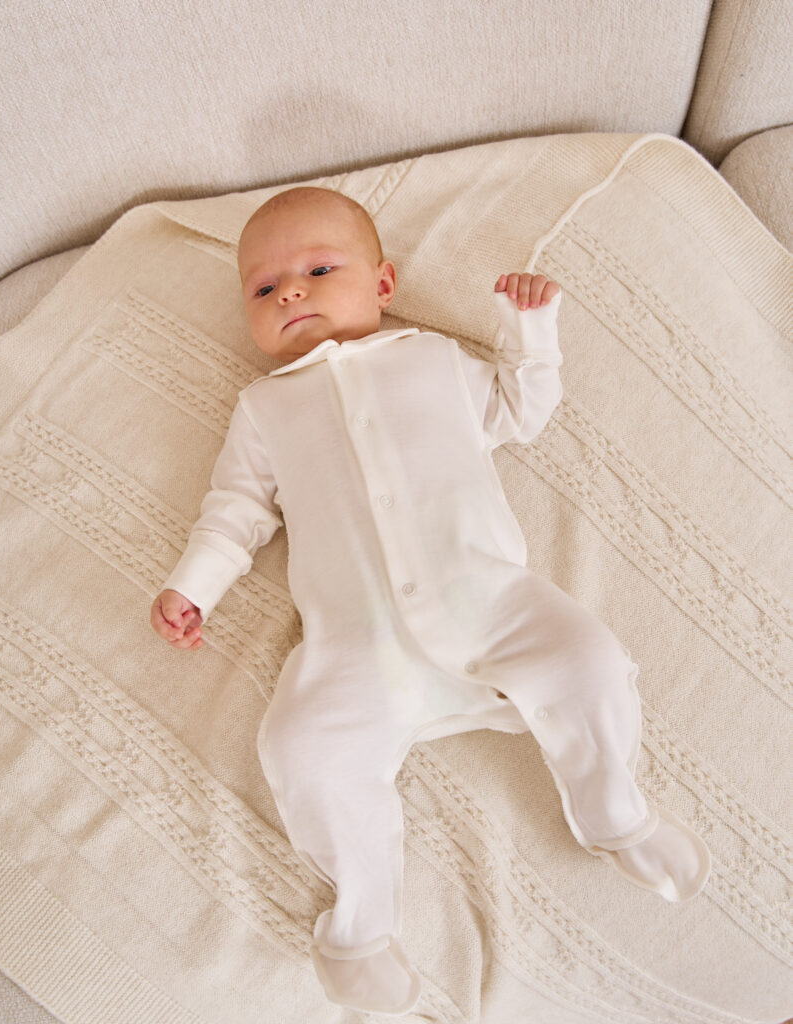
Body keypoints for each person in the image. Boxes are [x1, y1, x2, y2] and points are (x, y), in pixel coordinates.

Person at [150, 186, 710, 1016]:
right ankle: (360, 924)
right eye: (263, 288)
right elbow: (235, 511)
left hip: (489, 601)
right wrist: (192, 586)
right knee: (300, 747)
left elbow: (519, 410)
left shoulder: (434, 360)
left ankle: (616, 812)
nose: (290, 291)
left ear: (383, 284)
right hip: (353, 643)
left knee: (588, 661)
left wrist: (530, 331)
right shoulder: (265, 408)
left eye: (318, 270)